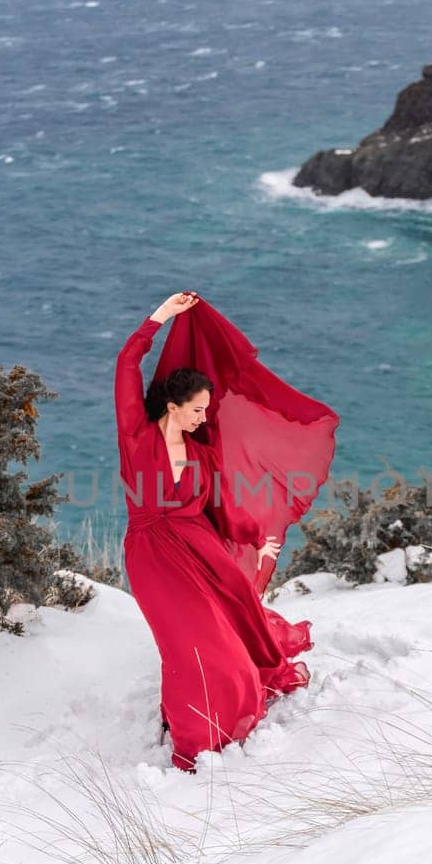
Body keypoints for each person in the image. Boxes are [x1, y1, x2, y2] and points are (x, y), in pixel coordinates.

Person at [115, 290, 339, 771]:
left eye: (206, 410)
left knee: (226, 645)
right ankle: (195, 733)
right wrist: (159, 317)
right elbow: (127, 364)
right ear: (172, 406)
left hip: (202, 550)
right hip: (152, 556)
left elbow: (218, 512)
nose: (203, 417)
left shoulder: (202, 454)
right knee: (185, 644)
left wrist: (259, 539)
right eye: (197, 409)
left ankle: (203, 718)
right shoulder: (136, 434)